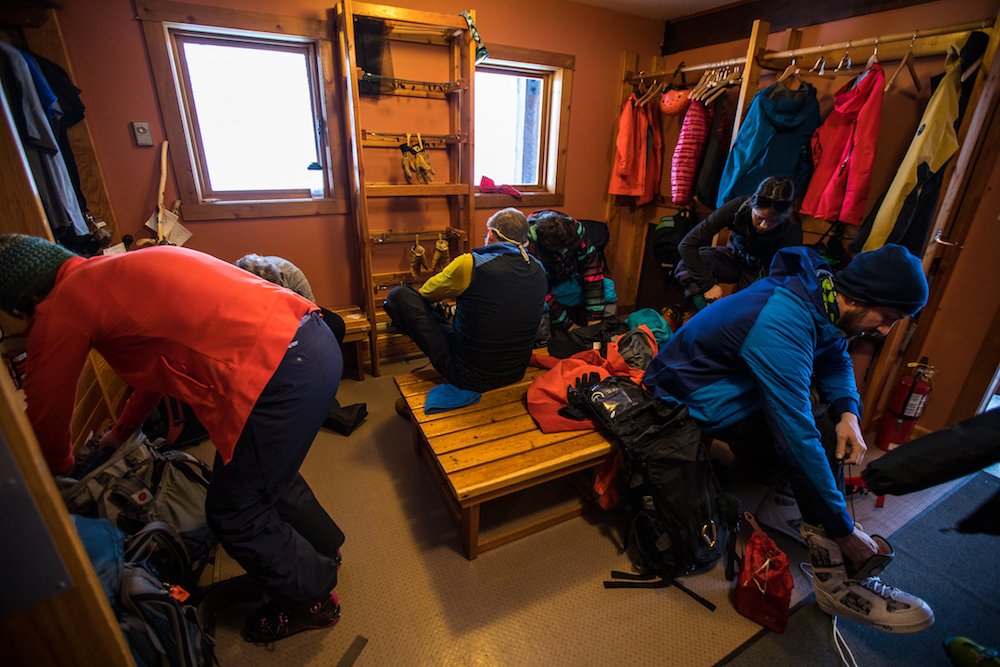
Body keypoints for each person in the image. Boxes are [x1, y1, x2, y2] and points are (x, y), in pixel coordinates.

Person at [0, 234, 344, 644]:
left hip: (282, 371)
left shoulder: (60, 306)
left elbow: (46, 424)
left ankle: (314, 601)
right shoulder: (111, 274)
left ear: (18, 302)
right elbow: (156, 374)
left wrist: (56, 475)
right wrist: (120, 433)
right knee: (263, 473)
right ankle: (325, 548)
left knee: (235, 510)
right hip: (313, 341)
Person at [643, 242, 934, 633]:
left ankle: (786, 506)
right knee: (808, 432)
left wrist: (849, 411)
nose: (884, 330)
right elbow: (796, 436)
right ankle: (836, 582)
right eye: (887, 317)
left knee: (829, 420)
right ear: (863, 297)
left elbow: (834, 355)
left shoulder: (823, 296)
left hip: (725, 381)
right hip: (686, 396)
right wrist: (841, 529)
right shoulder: (784, 318)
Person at [383, 207, 547, 394]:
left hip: (469, 376)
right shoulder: (538, 268)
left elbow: (427, 293)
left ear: (491, 234)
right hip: (516, 371)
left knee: (399, 296)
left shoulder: (471, 263)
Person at [675, 175, 802, 306]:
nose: (764, 225)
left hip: (762, 273)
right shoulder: (739, 207)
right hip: (734, 257)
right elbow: (687, 245)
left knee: (745, 310)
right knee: (687, 266)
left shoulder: (791, 229)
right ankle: (700, 315)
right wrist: (708, 285)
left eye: (773, 221)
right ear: (752, 205)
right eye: (759, 218)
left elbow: (785, 278)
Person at [526, 209, 614, 330]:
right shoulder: (529, 245)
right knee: (539, 303)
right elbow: (542, 290)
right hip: (542, 283)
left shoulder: (576, 232)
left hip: (567, 277)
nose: (563, 252)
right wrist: (568, 325)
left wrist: (594, 318)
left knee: (607, 286)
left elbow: (592, 272)